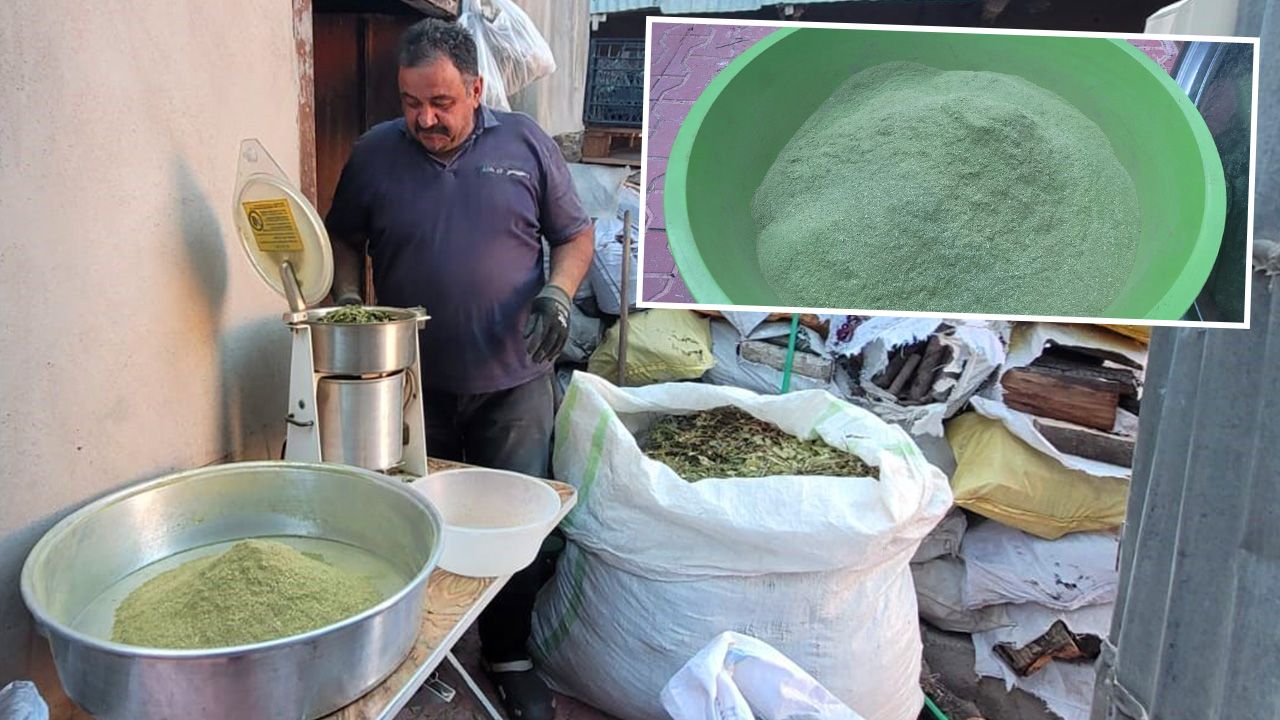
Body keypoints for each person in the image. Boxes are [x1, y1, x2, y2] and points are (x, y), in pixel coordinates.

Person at [323, 18, 594, 720]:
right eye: (411, 102)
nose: (425, 119)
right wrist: (349, 297)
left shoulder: (524, 143)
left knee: (515, 524)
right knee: (416, 519)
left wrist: (558, 294)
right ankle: (423, 647)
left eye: (441, 102)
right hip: (411, 387)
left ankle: (508, 654)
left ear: (476, 90)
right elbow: (344, 236)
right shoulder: (374, 153)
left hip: (515, 382)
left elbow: (574, 234)